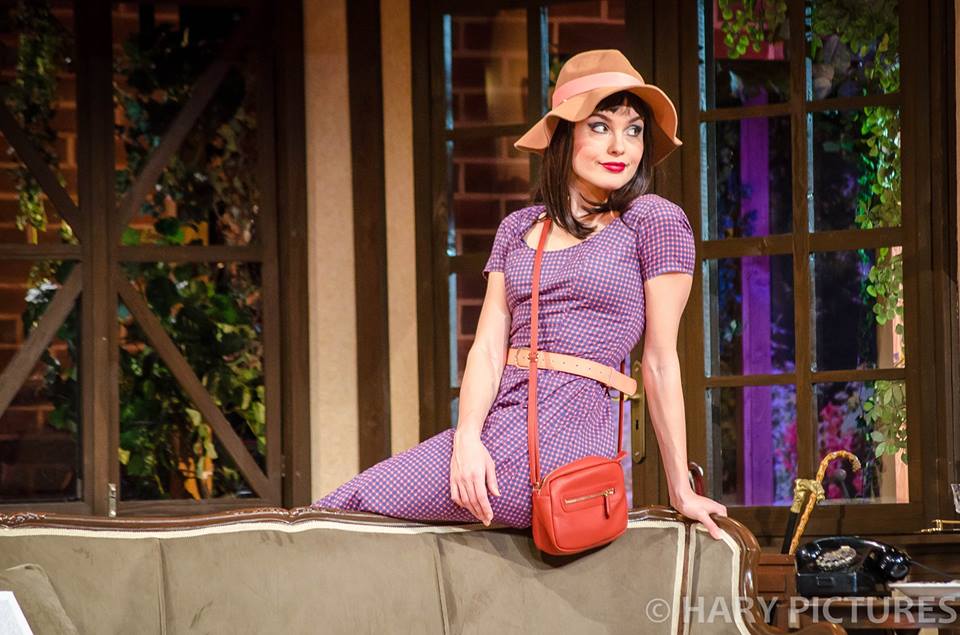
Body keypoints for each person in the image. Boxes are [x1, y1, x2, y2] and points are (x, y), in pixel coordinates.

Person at [311, 49, 728, 540]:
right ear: (563, 135)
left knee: (341, 511)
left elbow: (659, 361)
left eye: (634, 130)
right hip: (500, 429)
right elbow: (488, 350)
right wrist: (467, 440)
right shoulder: (519, 228)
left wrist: (680, 487)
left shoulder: (652, 221)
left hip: (568, 445)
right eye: (600, 126)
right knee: (340, 516)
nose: (621, 146)